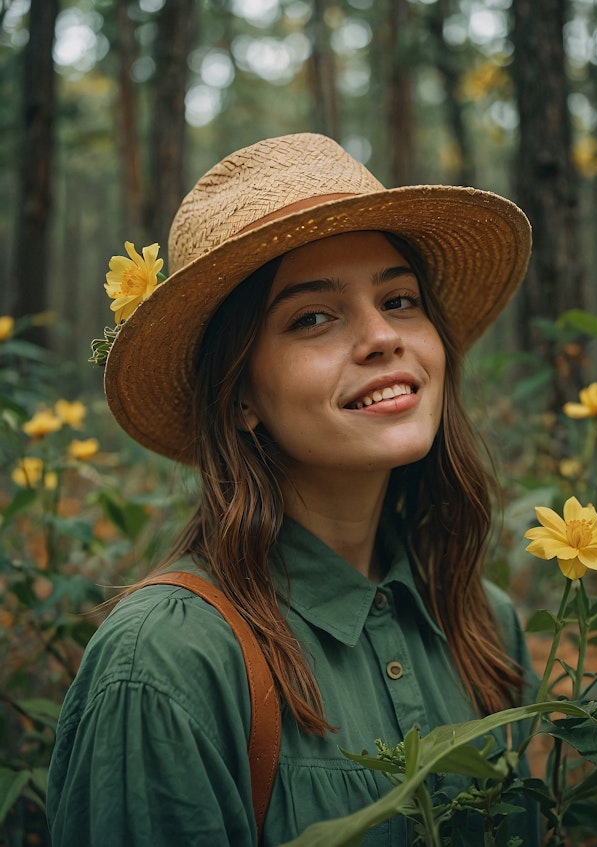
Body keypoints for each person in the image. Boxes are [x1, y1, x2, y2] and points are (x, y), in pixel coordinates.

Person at [47, 133, 538, 846]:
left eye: (399, 299)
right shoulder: (165, 663)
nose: (381, 337)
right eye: (313, 317)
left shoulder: (485, 625)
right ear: (240, 394)